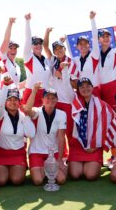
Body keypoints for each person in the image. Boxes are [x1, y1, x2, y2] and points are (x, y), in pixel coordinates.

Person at [66, 76, 113, 180]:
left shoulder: (102, 105)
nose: (85, 88)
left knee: (90, 175)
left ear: (92, 88)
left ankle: (93, 162)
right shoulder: (74, 103)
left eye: (88, 86)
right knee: (74, 175)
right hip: (78, 145)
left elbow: (110, 125)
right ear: (78, 90)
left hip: (94, 146)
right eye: (82, 87)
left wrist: (96, 145)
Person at [0, 77, 35, 186]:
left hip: (18, 153)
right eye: (9, 99)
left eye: (15, 99)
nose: (12, 102)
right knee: (1, 181)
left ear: (19, 102)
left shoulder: (23, 116)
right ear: (5, 102)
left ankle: (16, 168)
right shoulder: (0, 115)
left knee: (16, 180)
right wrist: (5, 85)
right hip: (0, 153)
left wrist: (27, 116)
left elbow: (31, 134)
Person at [43, 29, 79, 157]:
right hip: (55, 102)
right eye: (56, 49)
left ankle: (73, 157)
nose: (59, 50)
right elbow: (45, 46)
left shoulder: (71, 62)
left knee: (69, 130)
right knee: (58, 132)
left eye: (61, 48)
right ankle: (62, 156)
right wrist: (47, 32)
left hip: (67, 101)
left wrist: (64, 75)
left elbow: (76, 84)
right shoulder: (53, 61)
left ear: (64, 49)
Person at [24, 83, 67, 185]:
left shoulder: (61, 114)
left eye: (53, 98)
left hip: (53, 152)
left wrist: (60, 160)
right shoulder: (37, 112)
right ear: (42, 100)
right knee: (38, 181)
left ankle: (45, 168)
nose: (50, 100)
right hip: (36, 151)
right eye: (47, 97)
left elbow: (61, 138)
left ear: (57, 100)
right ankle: (44, 168)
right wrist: (34, 91)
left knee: (61, 180)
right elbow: (27, 109)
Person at [21, 13, 52, 107]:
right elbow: (27, 38)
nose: (38, 45)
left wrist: (47, 33)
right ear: (31, 46)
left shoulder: (46, 60)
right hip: (31, 93)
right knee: (29, 120)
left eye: (40, 43)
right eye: (35, 43)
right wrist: (27, 22)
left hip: (45, 95)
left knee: (44, 121)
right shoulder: (28, 57)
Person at [72, 11, 100, 96]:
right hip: (81, 91)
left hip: (95, 89)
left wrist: (92, 19)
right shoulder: (75, 60)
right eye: (80, 44)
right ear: (77, 47)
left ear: (89, 45)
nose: (83, 45)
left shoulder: (94, 55)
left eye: (85, 43)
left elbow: (95, 37)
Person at [0, 18, 24, 89]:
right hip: (2, 96)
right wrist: (10, 24)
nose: (13, 50)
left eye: (15, 48)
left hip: (13, 97)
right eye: (10, 48)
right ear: (6, 49)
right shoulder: (2, 59)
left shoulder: (18, 67)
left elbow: (16, 86)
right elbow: (6, 39)